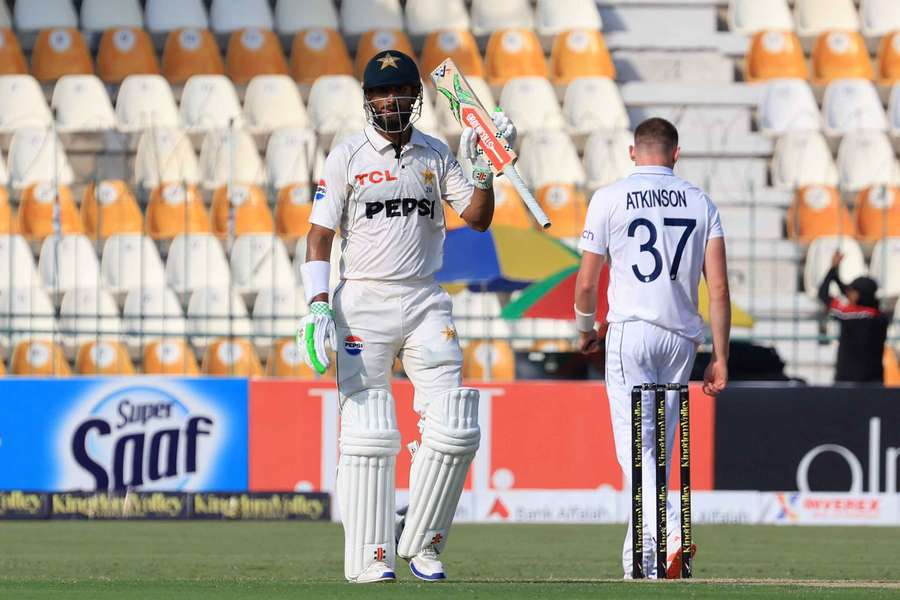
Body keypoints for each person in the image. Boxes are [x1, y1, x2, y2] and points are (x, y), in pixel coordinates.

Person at [296, 50, 517, 584]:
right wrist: (316, 305)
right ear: (368, 99)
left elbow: (478, 219)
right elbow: (320, 235)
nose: (390, 100)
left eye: (399, 91)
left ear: (415, 98)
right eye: (380, 92)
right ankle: (371, 555)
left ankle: (422, 543)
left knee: (457, 427)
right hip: (364, 302)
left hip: (425, 300)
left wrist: (485, 170)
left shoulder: (436, 154)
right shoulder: (346, 156)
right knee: (368, 431)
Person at [573, 118, 731, 579]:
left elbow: (586, 283)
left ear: (632, 152)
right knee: (657, 451)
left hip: (631, 331)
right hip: (681, 337)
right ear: (676, 154)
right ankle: (641, 562)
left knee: (634, 450)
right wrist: (720, 357)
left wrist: (585, 329)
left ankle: (673, 533)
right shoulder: (702, 203)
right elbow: (718, 289)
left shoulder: (608, 197)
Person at [817, 251, 889, 383]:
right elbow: (854, 296)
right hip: (874, 381)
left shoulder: (849, 316)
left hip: (848, 381)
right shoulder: (880, 317)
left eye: (853, 291)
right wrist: (837, 277)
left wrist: (833, 269)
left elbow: (822, 294)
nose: (848, 294)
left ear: (859, 295)